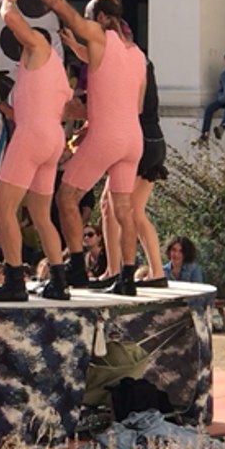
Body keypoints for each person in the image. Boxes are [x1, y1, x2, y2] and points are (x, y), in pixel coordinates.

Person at [26, 0, 146, 296]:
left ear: (104, 18)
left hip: (106, 136)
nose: (89, 23)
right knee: (124, 209)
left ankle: (75, 267)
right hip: (132, 139)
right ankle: (126, 278)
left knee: (67, 197)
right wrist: (80, 51)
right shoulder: (136, 53)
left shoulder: (100, 34)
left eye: (92, 17)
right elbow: (131, 101)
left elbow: (62, 8)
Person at [0, 0, 71, 302]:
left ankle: (13, 281)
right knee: (39, 213)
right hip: (51, 137)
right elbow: (47, 106)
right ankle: (59, 280)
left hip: (32, 136)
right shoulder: (55, 72)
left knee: (3, 209)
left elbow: (11, 18)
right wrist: (9, 110)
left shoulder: (38, 46)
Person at [98, 43, 168, 288]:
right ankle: (155, 273)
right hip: (152, 139)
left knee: (112, 205)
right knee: (132, 210)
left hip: (140, 141)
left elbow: (132, 107)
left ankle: (114, 270)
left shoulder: (133, 65)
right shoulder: (142, 63)